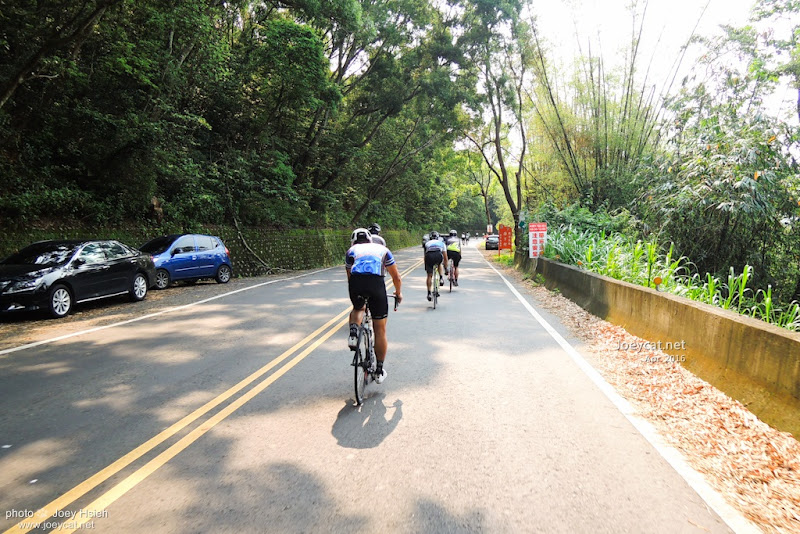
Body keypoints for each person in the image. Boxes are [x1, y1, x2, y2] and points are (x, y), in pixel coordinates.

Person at [346, 228, 403, 384]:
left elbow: (350, 276)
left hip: (356, 283)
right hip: (376, 284)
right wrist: (398, 293)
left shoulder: (351, 250)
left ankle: (353, 334)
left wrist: (356, 293)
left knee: (358, 308)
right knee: (380, 329)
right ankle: (378, 371)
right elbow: (396, 277)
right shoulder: (383, 250)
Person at [423, 230, 448, 301]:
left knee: (429, 275)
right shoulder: (442, 243)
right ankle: (441, 278)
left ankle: (429, 293)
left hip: (429, 256)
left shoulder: (427, 243)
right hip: (438, 255)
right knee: (439, 263)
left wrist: (426, 266)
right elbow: (445, 258)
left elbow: (425, 256)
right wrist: (446, 268)